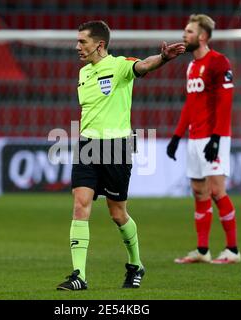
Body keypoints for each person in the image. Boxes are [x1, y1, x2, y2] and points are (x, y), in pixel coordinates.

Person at [57, 20, 186, 290]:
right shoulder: (83, 73)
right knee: (80, 205)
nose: (77, 46)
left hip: (116, 147)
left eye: (82, 41)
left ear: (99, 44)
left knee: (117, 214)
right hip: (87, 146)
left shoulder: (119, 66)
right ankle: (79, 275)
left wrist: (162, 57)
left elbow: (143, 65)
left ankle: (135, 264)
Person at [166, 14, 241, 264]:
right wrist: (177, 136)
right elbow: (191, 103)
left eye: (188, 31)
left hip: (213, 136)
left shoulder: (219, 62)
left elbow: (225, 103)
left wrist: (217, 138)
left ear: (202, 36)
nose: (184, 35)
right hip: (195, 137)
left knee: (217, 190)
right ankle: (202, 250)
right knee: (199, 191)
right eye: (184, 31)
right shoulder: (191, 66)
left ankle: (232, 250)